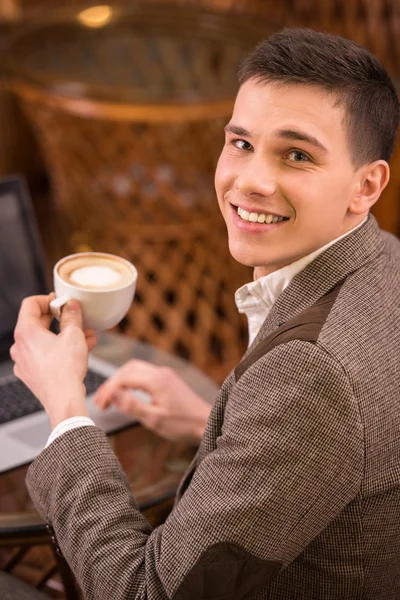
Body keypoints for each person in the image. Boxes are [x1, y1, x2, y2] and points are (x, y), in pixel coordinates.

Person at [10, 28, 400, 599]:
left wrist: (64, 406)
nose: (250, 181)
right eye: (241, 143)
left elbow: (143, 592)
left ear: (365, 185)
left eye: (297, 155)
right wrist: (211, 422)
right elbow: (337, 454)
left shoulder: (312, 377)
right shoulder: (385, 258)